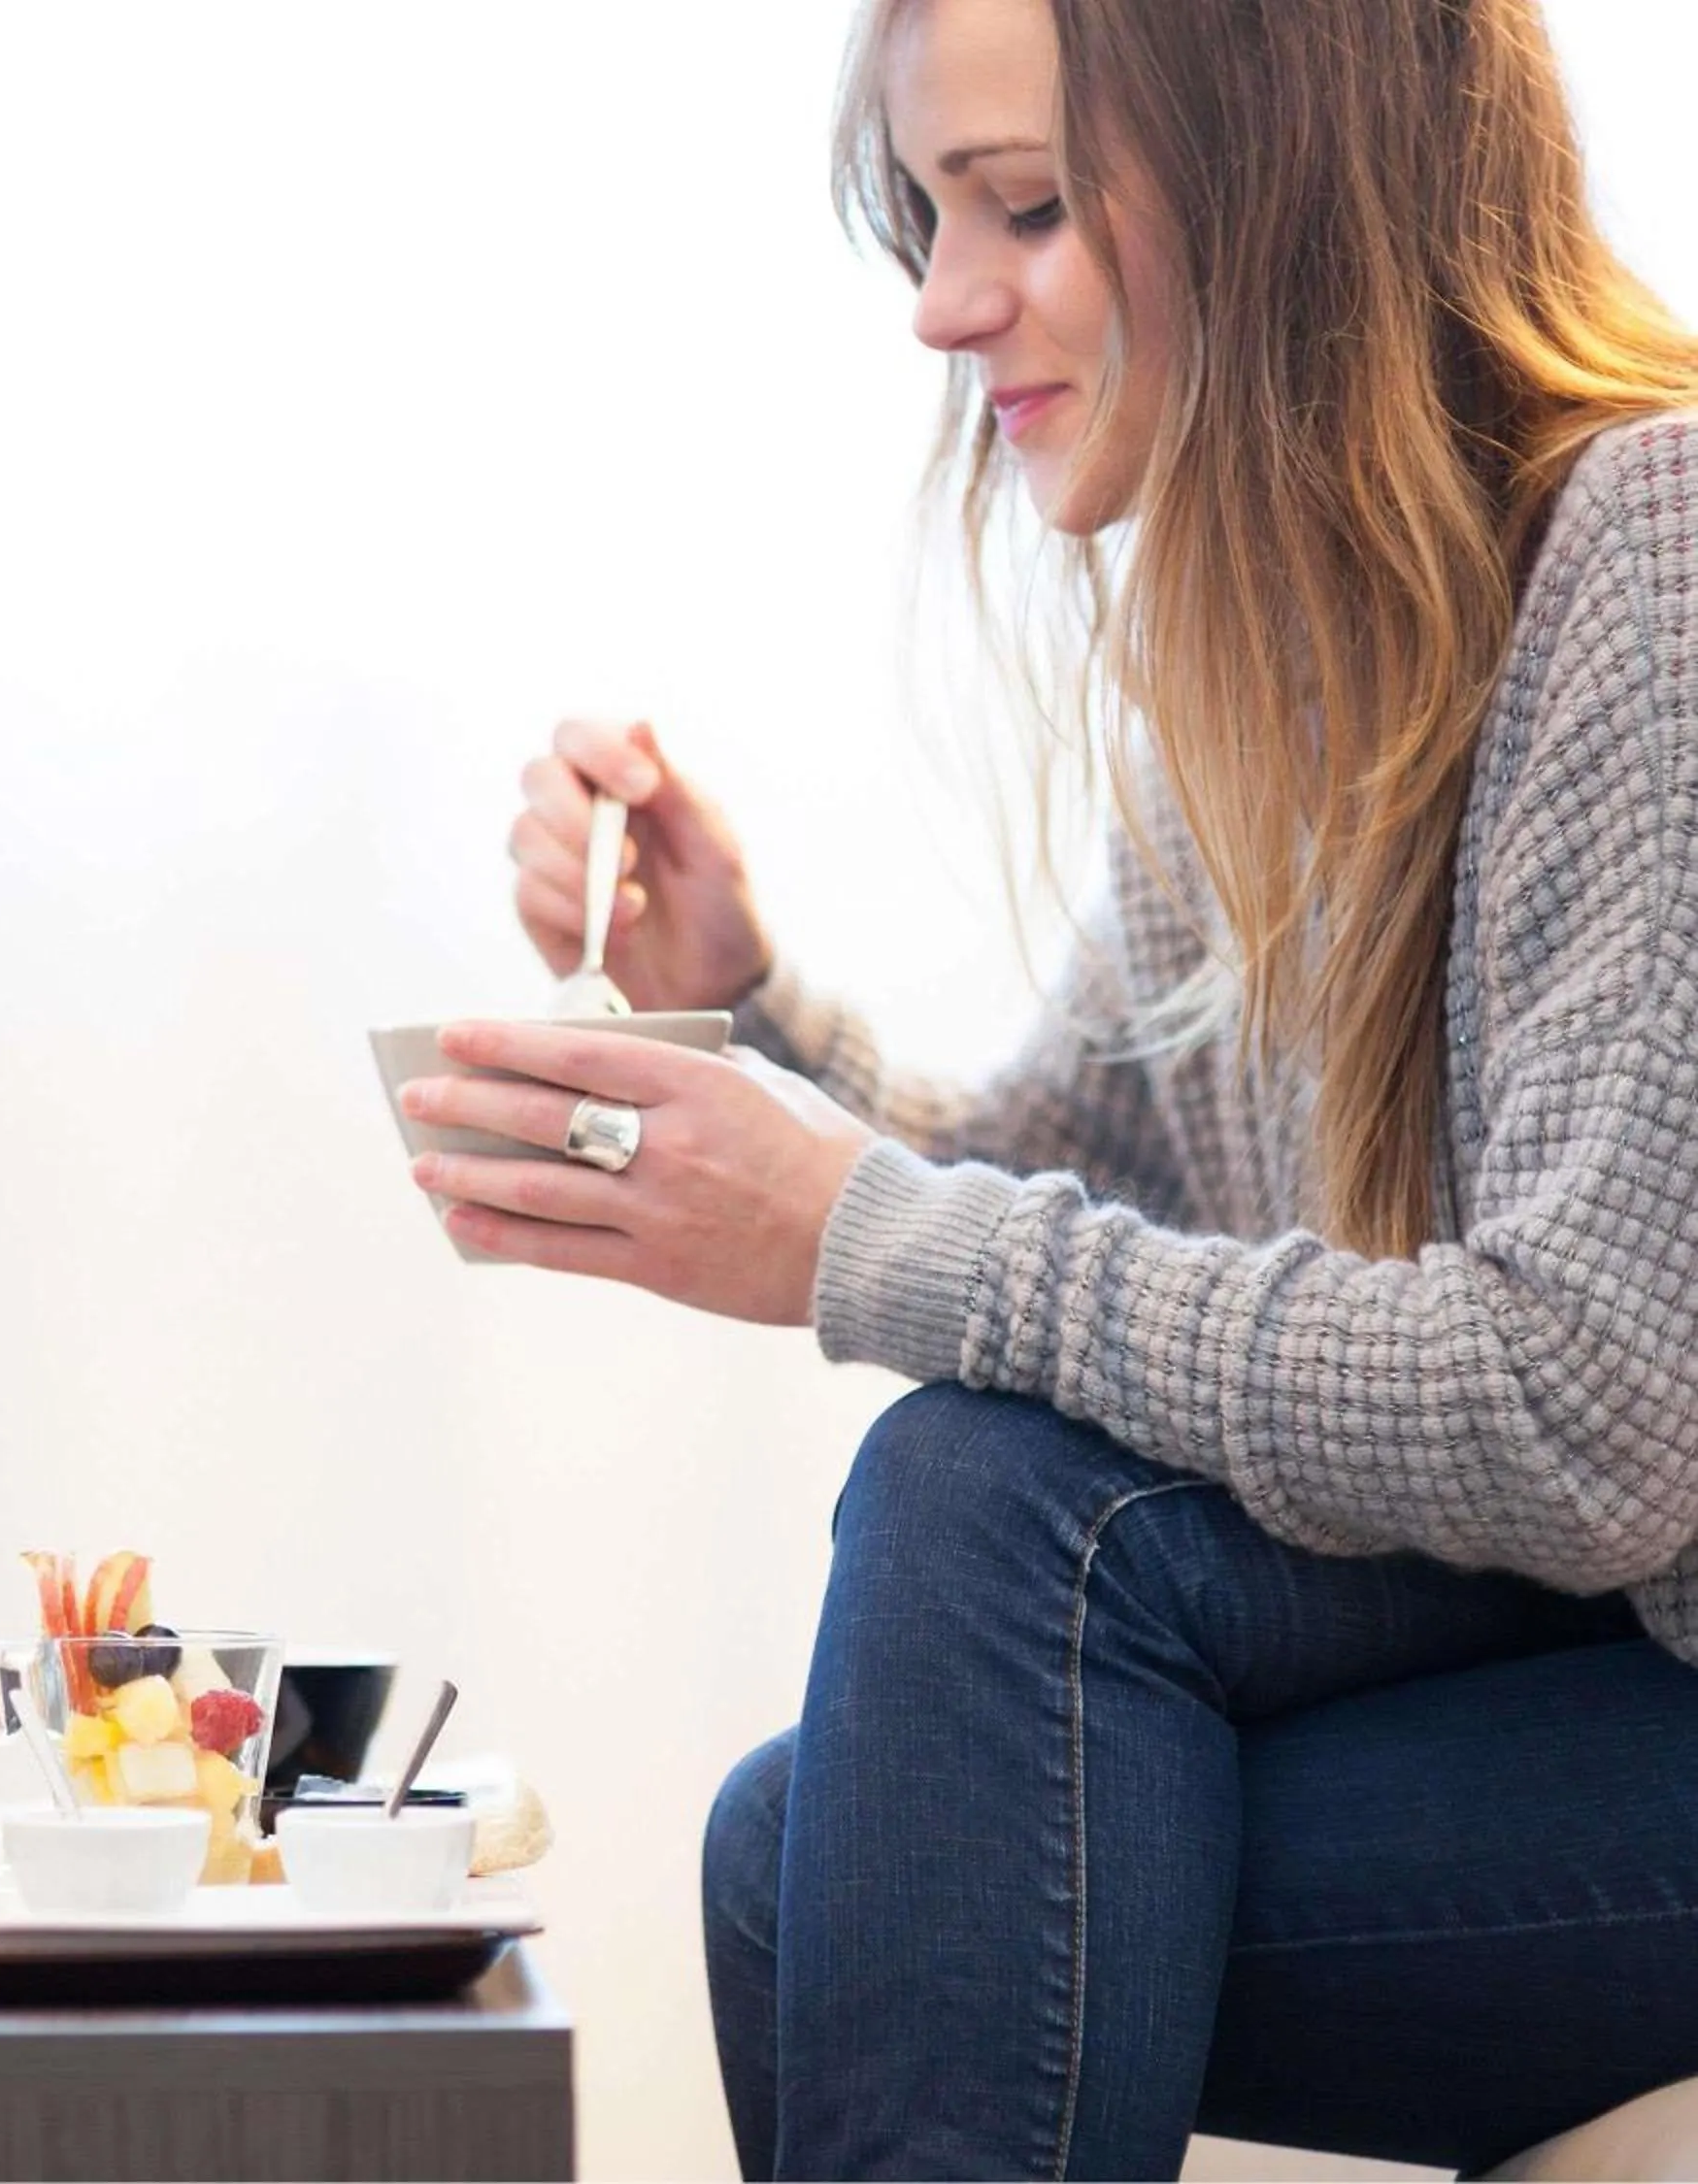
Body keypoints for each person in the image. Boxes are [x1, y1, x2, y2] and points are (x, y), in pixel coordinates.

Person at [393, 0, 1698, 2173]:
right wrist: (750, 1010)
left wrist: (852, 1234)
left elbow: (1594, 1410)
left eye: (1026, 205)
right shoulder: (1265, 671)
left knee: (971, 1559)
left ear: (1296, 178)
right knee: (799, 1837)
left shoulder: (1654, 553)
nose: (938, 304)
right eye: (924, 218)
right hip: (1590, 1648)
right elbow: (1095, 1196)